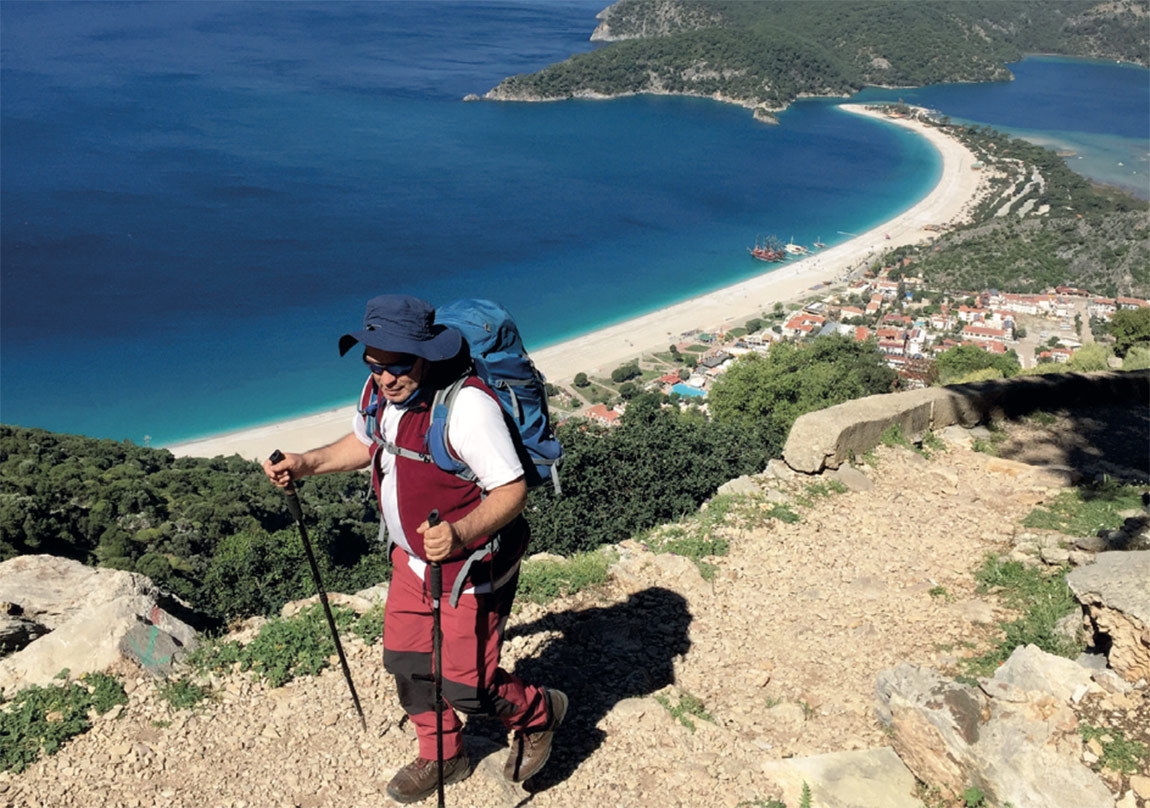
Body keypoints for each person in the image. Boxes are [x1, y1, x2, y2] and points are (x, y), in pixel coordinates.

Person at [263, 294, 567, 804]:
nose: (385, 377)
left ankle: (542, 713)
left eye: (397, 365)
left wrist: (461, 533)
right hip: (411, 562)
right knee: (408, 663)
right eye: (374, 364)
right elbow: (365, 444)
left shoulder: (467, 407)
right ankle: (445, 754)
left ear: (425, 355)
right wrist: (307, 462)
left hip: (472, 564)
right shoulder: (380, 394)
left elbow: (512, 490)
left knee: (467, 685)